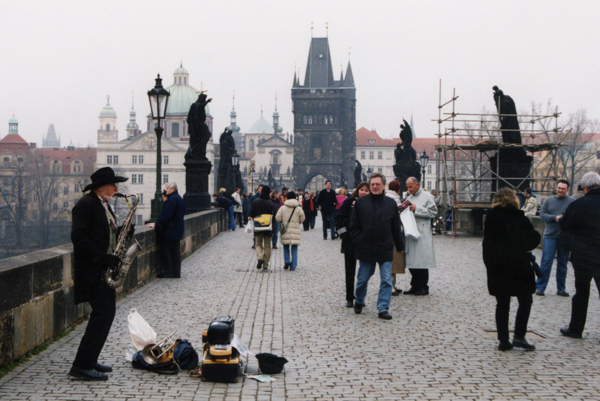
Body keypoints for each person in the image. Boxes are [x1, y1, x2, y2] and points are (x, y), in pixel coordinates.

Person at [69, 167, 130, 380]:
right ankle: (82, 365)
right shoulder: (86, 205)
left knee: (105, 315)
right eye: (113, 184)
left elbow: (106, 234)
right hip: (93, 270)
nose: (116, 187)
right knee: (102, 315)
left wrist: (124, 231)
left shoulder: (103, 205)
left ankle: (89, 359)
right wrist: (102, 257)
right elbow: (78, 236)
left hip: (103, 270)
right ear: (100, 187)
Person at [483, 188, 541, 351]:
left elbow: (487, 246)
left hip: (499, 266)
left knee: (502, 303)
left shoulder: (491, 218)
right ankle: (519, 336)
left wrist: (490, 266)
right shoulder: (518, 217)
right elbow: (531, 241)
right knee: (525, 300)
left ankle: (503, 340)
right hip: (519, 266)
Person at [349, 173, 404, 320]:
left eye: (377, 184)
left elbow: (395, 227)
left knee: (386, 280)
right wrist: (358, 240)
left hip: (384, 247)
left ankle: (382, 308)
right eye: (372, 184)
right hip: (365, 247)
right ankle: (359, 300)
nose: (374, 186)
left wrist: (399, 245)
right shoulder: (361, 203)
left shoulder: (390, 203)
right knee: (362, 279)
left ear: (383, 186)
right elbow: (353, 226)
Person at [559, 172, 600, 340]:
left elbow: (566, 226)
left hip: (583, 257)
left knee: (581, 294)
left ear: (584, 187)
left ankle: (576, 329)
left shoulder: (578, 204)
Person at [535, 179, 575, 297]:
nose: (560, 190)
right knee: (546, 262)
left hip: (564, 237)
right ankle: (540, 287)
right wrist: (554, 218)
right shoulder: (549, 200)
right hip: (550, 235)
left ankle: (561, 288)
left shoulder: (572, 202)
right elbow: (542, 214)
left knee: (563, 263)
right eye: (559, 188)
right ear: (556, 188)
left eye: (563, 189)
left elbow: (575, 217)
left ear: (567, 190)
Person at [336, 181, 370, 308]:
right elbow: (339, 219)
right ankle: (349, 297)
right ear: (358, 190)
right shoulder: (349, 202)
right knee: (350, 272)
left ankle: (360, 296)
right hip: (350, 241)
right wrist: (344, 235)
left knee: (364, 272)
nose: (364, 192)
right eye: (362, 190)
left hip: (365, 242)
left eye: (366, 190)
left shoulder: (372, 203)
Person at [403, 177, 438, 296]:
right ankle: (415, 285)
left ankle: (423, 286)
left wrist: (417, 209)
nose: (409, 189)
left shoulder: (427, 196)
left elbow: (433, 212)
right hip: (411, 230)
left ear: (417, 185)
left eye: (410, 186)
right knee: (412, 260)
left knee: (421, 261)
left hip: (422, 231)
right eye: (407, 187)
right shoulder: (409, 197)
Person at [146, 182, 185, 278]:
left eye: (167, 188)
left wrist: (156, 224)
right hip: (178, 229)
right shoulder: (179, 198)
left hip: (170, 230)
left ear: (172, 189)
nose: (165, 190)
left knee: (166, 250)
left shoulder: (171, 200)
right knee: (175, 252)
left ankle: (168, 272)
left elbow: (166, 216)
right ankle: (176, 273)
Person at [276, 191, 305, 271]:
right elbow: (302, 219)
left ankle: (287, 261)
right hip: (295, 229)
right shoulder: (298, 208)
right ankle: (293, 265)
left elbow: (277, 218)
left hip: (285, 230)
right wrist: (297, 222)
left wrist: (282, 221)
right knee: (294, 247)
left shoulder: (282, 208)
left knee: (285, 246)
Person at [249, 185, 276, 271]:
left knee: (258, 244)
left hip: (258, 226)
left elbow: (251, 213)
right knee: (268, 246)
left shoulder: (255, 202)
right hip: (268, 227)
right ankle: (265, 264)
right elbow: (275, 216)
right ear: (268, 193)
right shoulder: (271, 203)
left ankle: (260, 257)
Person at [385, 180, 404, 295]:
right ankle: (391, 286)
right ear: (398, 189)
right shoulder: (395, 200)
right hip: (393, 233)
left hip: (389, 232)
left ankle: (393, 284)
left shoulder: (387, 198)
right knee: (392, 260)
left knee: (392, 260)